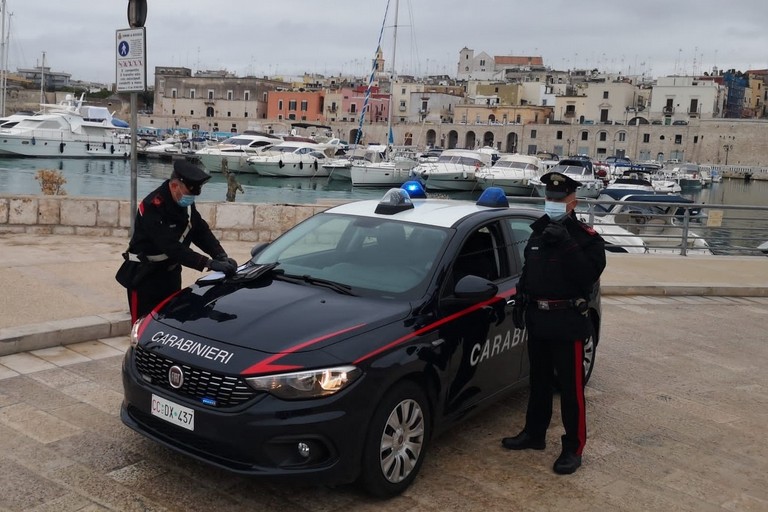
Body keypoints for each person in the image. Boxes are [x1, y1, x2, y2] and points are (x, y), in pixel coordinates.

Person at [502, 171, 606, 475]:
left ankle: (573, 447)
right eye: (549, 198)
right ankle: (534, 434)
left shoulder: (585, 239)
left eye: (559, 199)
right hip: (538, 320)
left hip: (568, 322)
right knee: (539, 383)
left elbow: (588, 275)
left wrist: (567, 246)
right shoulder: (538, 232)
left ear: (572, 201)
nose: (554, 203)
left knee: (571, 391)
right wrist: (522, 299)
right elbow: (529, 272)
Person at [116, 159, 238, 324]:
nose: (191, 200)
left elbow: (199, 230)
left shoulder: (184, 205)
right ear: (174, 186)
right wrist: (208, 263)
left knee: (170, 321)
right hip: (145, 276)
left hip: (170, 274)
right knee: (143, 325)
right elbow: (171, 247)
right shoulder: (152, 206)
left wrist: (220, 255)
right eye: (189, 195)